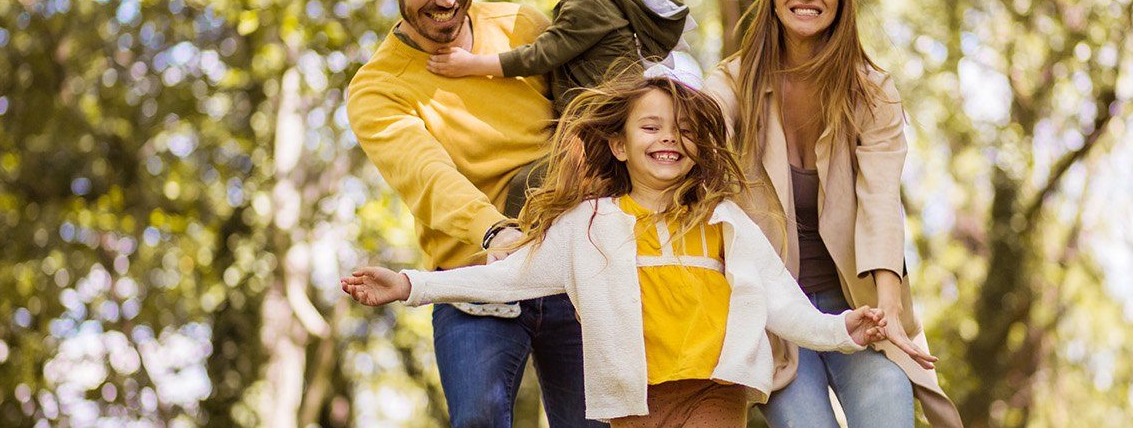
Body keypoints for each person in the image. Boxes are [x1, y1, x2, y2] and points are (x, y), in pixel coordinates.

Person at [344, 75, 889, 427]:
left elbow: (784, 306)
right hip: (634, 404)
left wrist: (843, 330)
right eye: (649, 127)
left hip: (714, 392)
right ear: (620, 145)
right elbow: (507, 279)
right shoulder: (591, 225)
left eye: (682, 130)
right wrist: (412, 285)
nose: (667, 139)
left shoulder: (724, 221)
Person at [343, 0, 600, 428]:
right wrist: (495, 234)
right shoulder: (377, 87)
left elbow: (586, 119)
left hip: (571, 264)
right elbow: (429, 176)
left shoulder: (523, 27)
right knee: (480, 418)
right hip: (474, 278)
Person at [706, 0, 966, 428]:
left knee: (889, 407)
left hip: (858, 307)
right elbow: (704, 123)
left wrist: (888, 306)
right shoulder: (734, 81)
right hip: (776, 317)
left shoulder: (872, 93)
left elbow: (880, 204)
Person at [423, 0, 692, 217]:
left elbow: (541, 55)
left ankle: (511, 249)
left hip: (601, 126)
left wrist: (472, 64)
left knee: (530, 185)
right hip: (606, 123)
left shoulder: (589, 4)